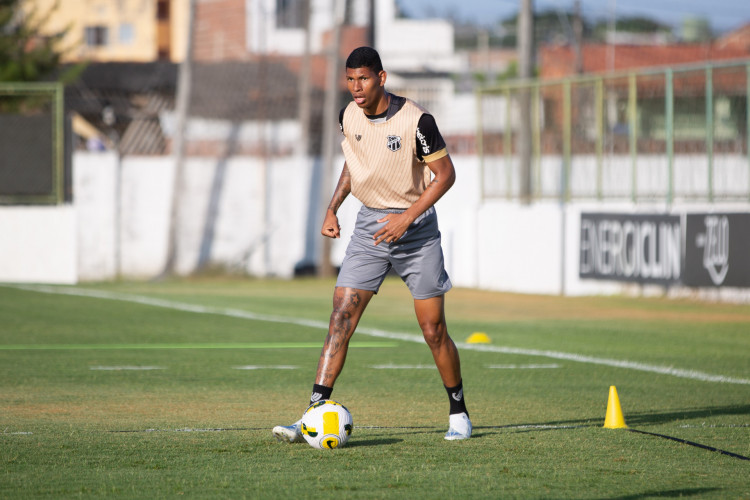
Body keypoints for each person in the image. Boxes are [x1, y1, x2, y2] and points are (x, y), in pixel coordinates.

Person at [273, 46, 471, 441]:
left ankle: (458, 412)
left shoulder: (417, 120)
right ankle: (312, 413)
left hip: (415, 231)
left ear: (381, 78)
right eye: (350, 80)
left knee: (433, 330)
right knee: (340, 317)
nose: (356, 88)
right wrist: (333, 208)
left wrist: (406, 217)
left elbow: (445, 175)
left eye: (363, 79)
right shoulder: (348, 115)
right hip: (369, 228)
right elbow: (356, 161)